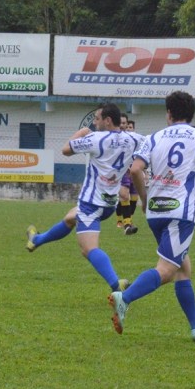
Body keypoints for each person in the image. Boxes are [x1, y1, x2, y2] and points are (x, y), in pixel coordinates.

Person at [108, 91, 195, 343]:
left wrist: (144, 198)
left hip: (155, 212)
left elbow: (135, 170)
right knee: (167, 269)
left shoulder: (153, 138)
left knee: (183, 268)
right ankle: (124, 298)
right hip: (180, 213)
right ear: (191, 114)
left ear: (168, 113)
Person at [25, 103, 140, 293]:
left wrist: (81, 132)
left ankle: (116, 285)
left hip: (91, 204)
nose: (94, 122)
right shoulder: (133, 138)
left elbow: (65, 150)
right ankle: (36, 240)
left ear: (108, 120)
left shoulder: (95, 138)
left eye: (97, 118)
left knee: (89, 249)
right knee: (70, 218)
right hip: (109, 204)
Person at [115, 115, 144, 235]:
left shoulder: (134, 138)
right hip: (119, 172)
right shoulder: (112, 138)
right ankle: (123, 223)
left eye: (124, 123)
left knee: (133, 198)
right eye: (120, 123)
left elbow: (147, 143)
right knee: (124, 195)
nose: (123, 125)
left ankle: (128, 223)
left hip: (131, 171)